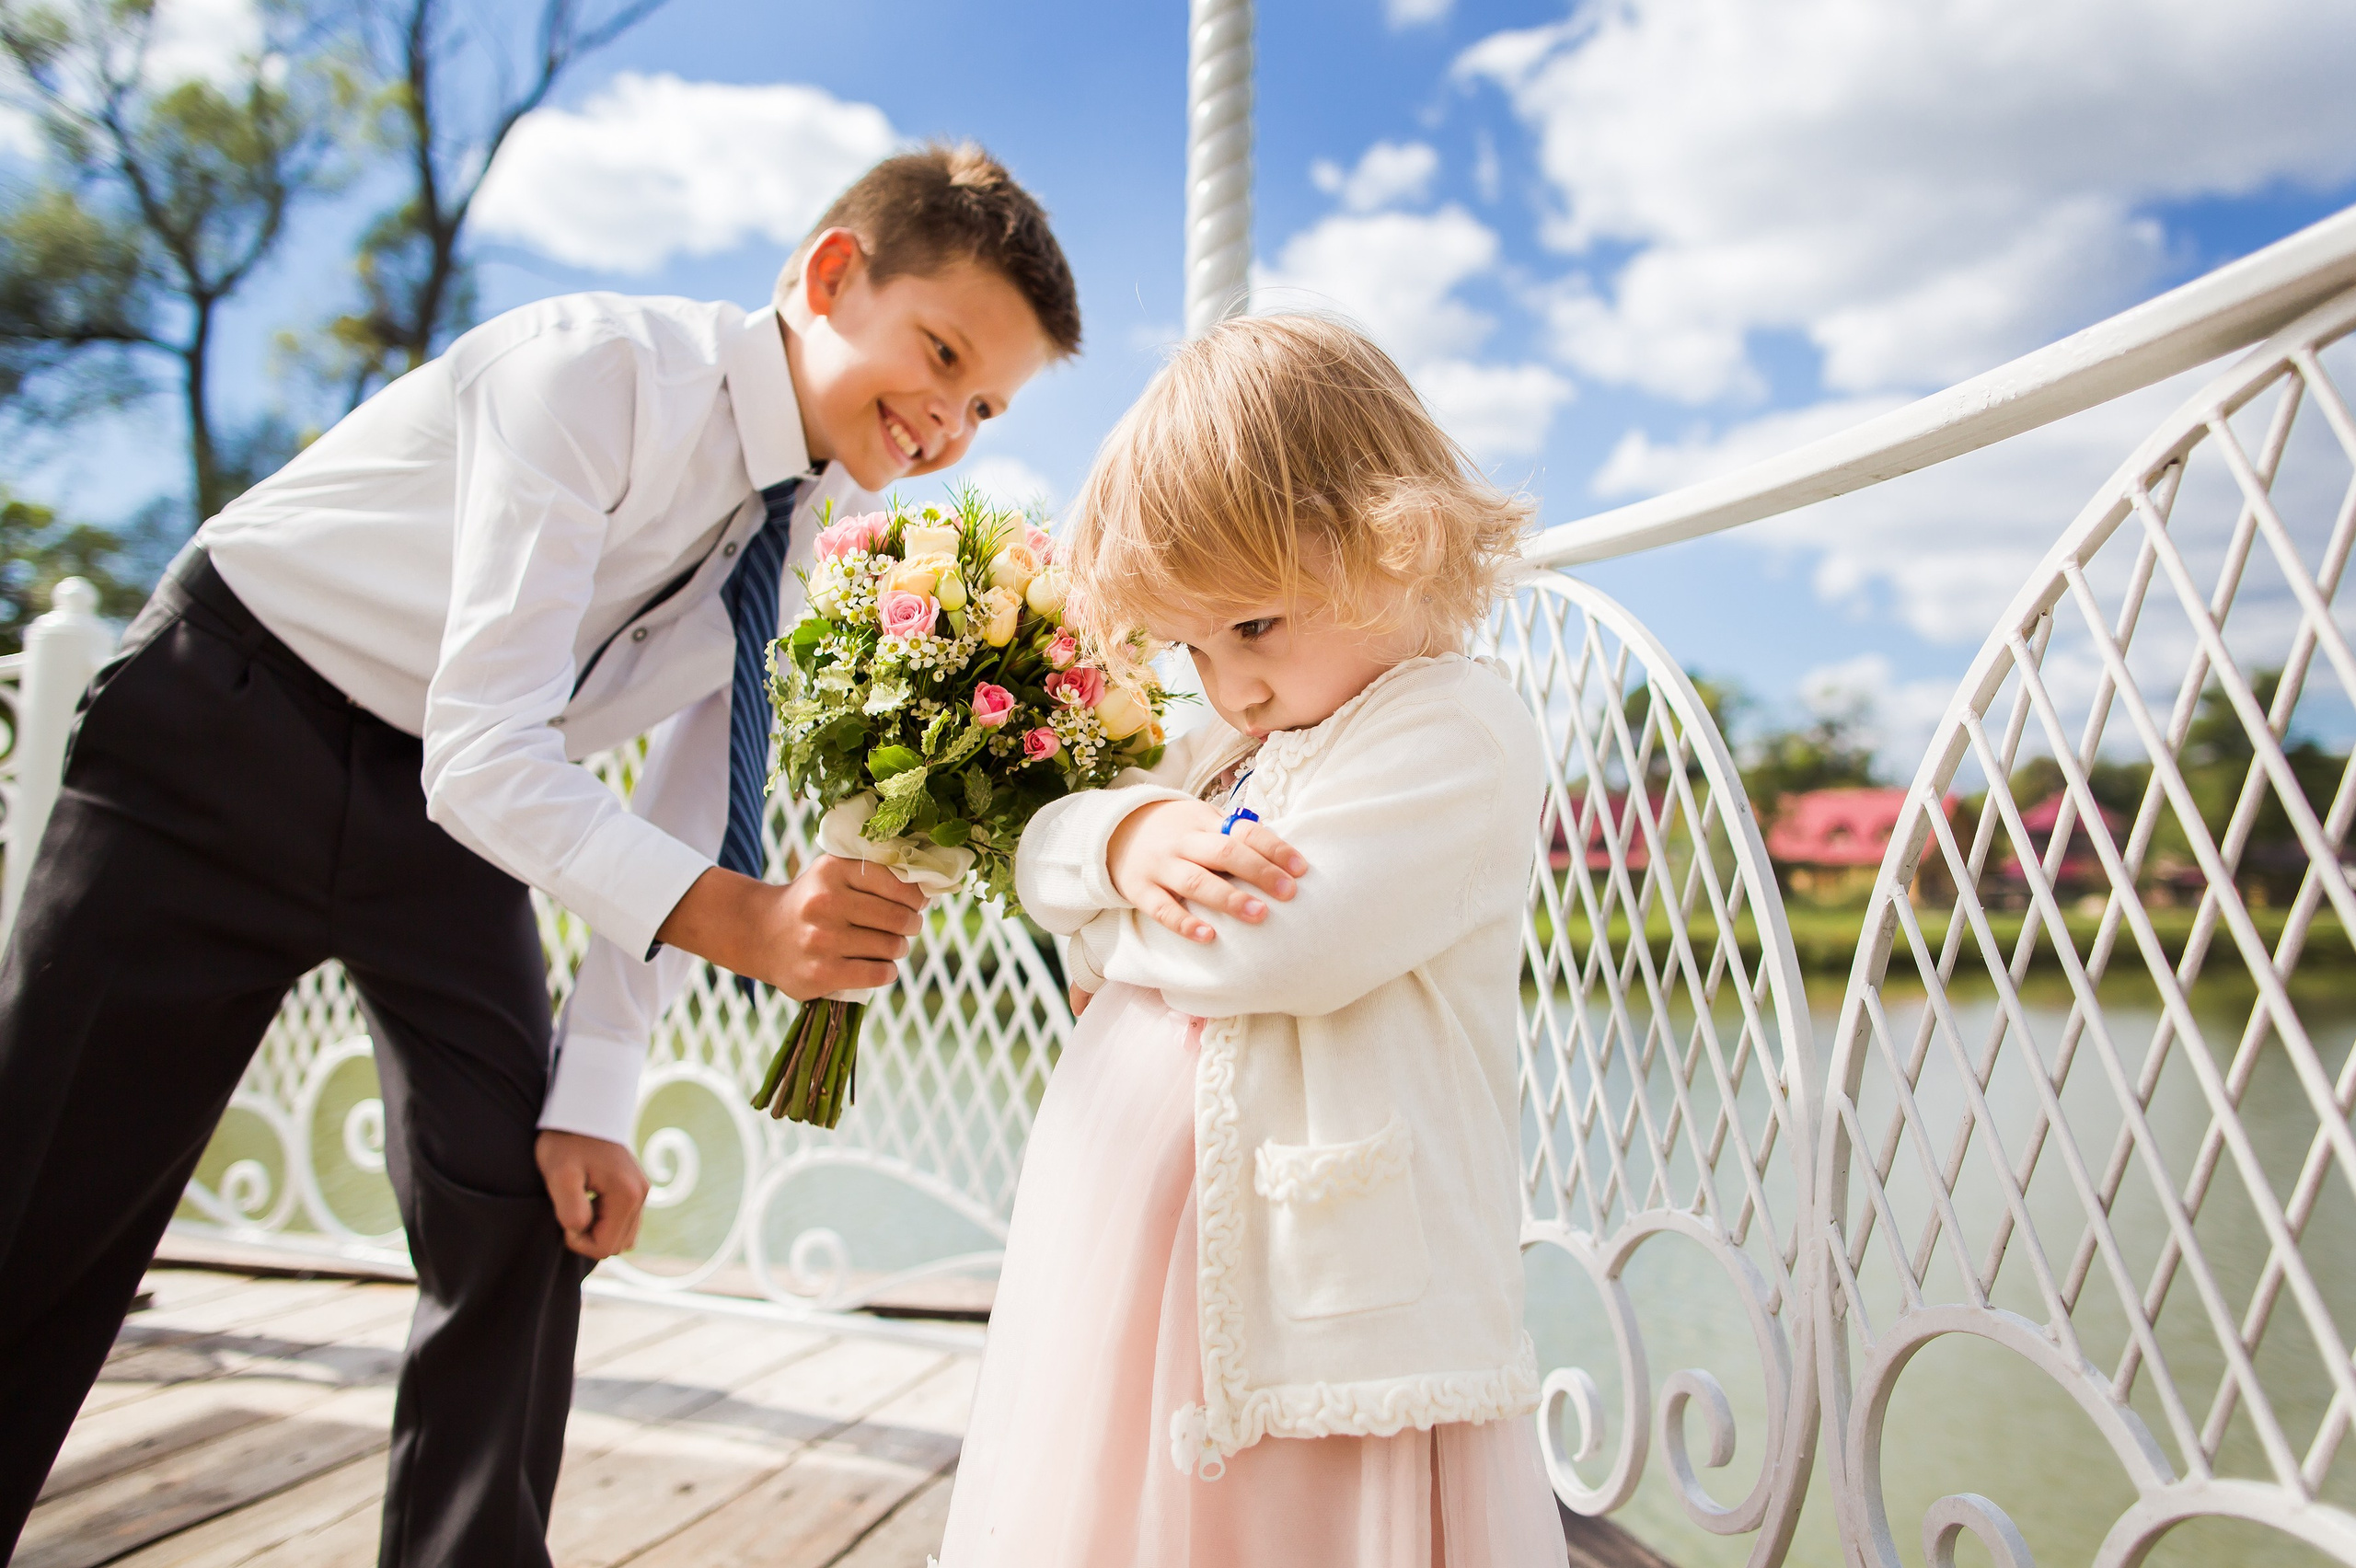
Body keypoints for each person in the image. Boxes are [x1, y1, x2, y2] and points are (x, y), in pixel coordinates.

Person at [0, 143, 1080, 1566]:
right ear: (832, 277)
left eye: (987, 405)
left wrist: (602, 1085)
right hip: (232, 724)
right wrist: (740, 925)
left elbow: (701, 794)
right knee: (45, 1195)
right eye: (942, 354)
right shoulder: (598, 370)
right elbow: (491, 746)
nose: (950, 418)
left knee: (527, 1199)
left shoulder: (818, 537)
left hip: (450, 818)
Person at [939, 315, 1567, 1566]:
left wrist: (1103, 931)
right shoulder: (1236, 745)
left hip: (1322, 1302)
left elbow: (1271, 950)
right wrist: (1123, 841)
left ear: (1396, 539)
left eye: (1257, 627)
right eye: (1193, 647)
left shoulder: (1451, 729)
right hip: (1139, 1259)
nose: (1231, 685)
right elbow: (1044, 850)